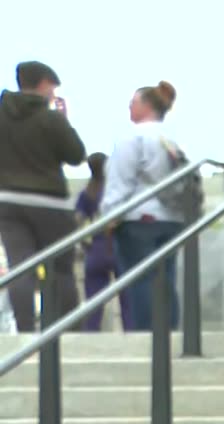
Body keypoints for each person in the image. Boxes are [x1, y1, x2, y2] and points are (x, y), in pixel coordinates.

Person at [0, 61, 86, 332]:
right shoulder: (50, 119)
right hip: (50, 202)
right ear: (43, 84)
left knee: (20, 267)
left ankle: (26, 333)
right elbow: (76, 155)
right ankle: (68, 332)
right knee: (60, 268)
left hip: (9, 202)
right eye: (53, 88)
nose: (53, 94)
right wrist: (63, 121)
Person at [100, 81, 183, 332]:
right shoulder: (171, 139)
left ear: (146, 106)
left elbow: (121, 182)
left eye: (133, 102)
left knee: (141, 281)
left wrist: (109, 216)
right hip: (171, 219)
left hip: (138, 219)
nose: (129, 107)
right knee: (166, 280)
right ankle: (169, 333)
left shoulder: (132, 138)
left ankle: (146, 336)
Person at [76, 152, 125, 332]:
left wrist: (83, 243)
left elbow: (77, 221)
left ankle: (90, 335)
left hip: (96, 249)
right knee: (127, 299)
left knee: (93, 303)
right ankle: (133, 335)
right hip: (120, 246)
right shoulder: (117, 190)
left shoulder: (87, 192)